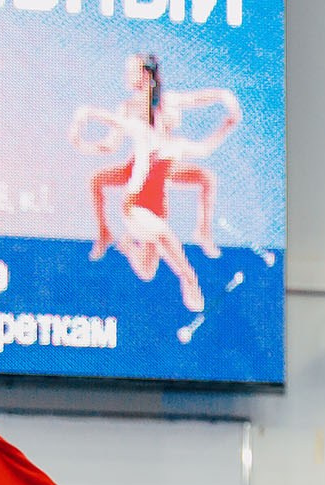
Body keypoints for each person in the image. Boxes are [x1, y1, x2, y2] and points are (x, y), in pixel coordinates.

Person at [68, 53, 240, 334]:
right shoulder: (140, 130)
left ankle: (126, 245)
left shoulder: (176, 145)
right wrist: (85, 120)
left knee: (147, 271)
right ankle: (190, 278)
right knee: (163, 235)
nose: (171, 117)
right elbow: (115, 128)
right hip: (135, 206)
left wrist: (227, 122)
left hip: (157, 208)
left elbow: (206, 147)